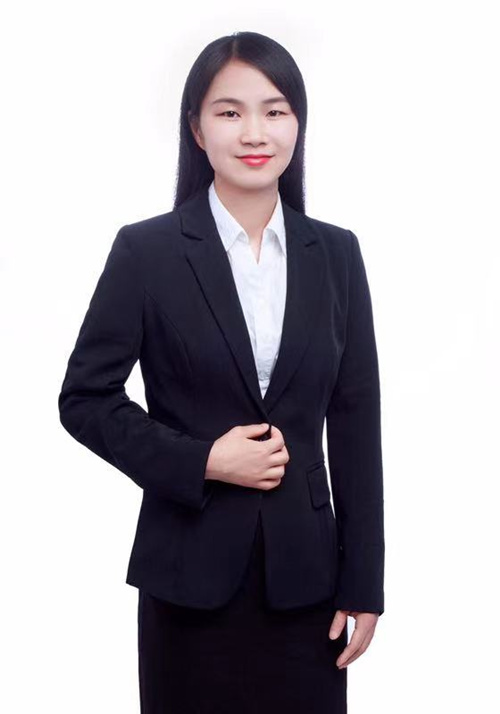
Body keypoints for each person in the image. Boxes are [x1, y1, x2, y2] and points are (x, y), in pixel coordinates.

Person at [58, 30, 385, 714]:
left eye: (275, 110)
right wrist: (202, 460)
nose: (255, 132)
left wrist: (365, 582)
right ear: (197, 129)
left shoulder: (337, 255)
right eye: (230, 111)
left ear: (298, 123)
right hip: (187, 579)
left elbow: (356, 423)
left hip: (309, 586)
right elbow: (85, 398)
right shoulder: (146, 252)